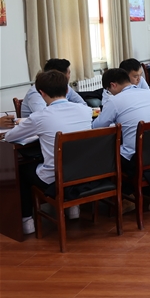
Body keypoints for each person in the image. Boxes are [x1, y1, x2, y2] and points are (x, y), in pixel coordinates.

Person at [5, 70, 93, 234]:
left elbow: (10, 137)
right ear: (67, 90)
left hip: (56, 178)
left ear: (42, 93)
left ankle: (27, 221)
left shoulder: (40, 117)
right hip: (84, 173)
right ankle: (73, 208)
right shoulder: (85, 110)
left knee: (22, 170)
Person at [93, 68, 150, 210]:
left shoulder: (115, 101)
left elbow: (97, 127)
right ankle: (148, 185)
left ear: (113, 85)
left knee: (110, 157)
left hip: (136, 156)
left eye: (109, 90)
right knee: (129, 152)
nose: (110, 93)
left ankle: (127, 197)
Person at [15, 58, 87, 120]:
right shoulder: (36, 92)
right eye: (69, 73)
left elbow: (83, 105)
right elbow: (44, 117)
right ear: (60, 76)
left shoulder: (65, 87)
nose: (69, 76)